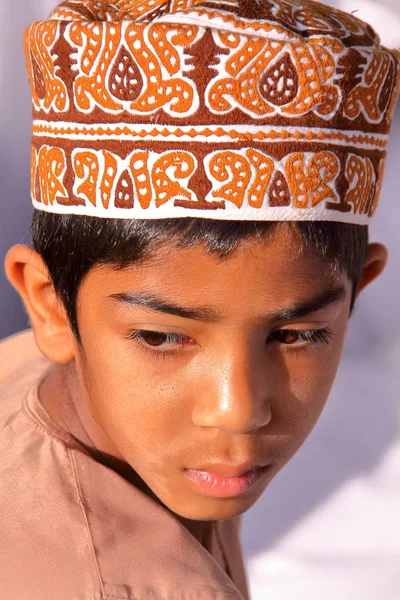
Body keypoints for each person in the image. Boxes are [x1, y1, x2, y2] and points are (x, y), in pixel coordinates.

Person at [1, 0, 399, 598]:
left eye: (295, 336)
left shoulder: (31, 371)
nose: (237, 410)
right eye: (162, 337)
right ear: (50, 303)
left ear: (358, 291)